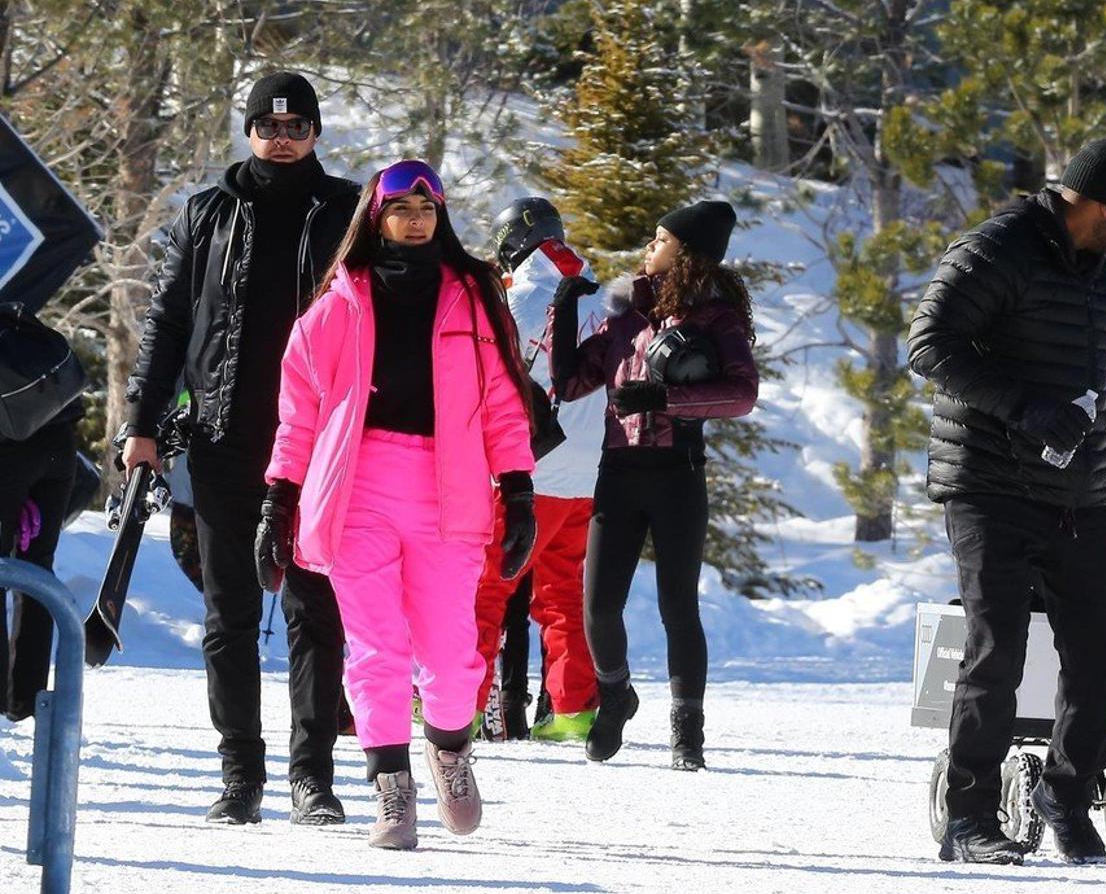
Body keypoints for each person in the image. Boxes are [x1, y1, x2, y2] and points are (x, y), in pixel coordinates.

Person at [258, 159, 536, 850]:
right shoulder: (337, 304)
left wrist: (519, 489)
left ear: (441, 217)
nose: (415, 221)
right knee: (375, 649)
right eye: (400, 210)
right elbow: (297, 415)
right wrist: (278, 500)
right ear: (375, 219)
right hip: (357, 490)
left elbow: (504, 405)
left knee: (451, 650)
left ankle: (449, 749)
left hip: (450, 490)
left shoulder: (473, 298)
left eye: (426, 209)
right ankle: (391, 789)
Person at [907, 138, 1106, 867]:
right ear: (1101, 204)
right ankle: (969, 818)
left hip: (1075, 491)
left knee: (1101, 651)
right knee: (998, 651)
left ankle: (1064, 797)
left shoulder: (1100, 279)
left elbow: (1100, 389)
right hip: (987, 483)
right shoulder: (997, 248)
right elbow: (929, 343)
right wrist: (1025, 408)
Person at [121, 71, 355, 826]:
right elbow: (166, 323)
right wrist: (142, 423)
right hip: (223, 438)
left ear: (315, 133)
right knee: (229, 615)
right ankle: (240, 776)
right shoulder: (207, 211)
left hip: (318, 446)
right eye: (268, 126)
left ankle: (311, 778)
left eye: (296, 126)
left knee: (314, 611)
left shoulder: (349, 211)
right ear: (249, 131)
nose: (281, 139)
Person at [548, 199, 759, 770]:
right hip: (618, 473)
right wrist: (564, 313)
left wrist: (664, 398)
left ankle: (688, 731)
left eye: (660, 240)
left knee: (677, 607)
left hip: (678, 474)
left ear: (686, 254)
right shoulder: (625, 314)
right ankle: (616, 694)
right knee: (597, 606)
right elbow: (570, 384)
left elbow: (742, 394)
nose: (649, 248)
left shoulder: (716, 318)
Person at [472, 197, 605, 742]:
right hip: (590, 469)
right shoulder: (603, 296)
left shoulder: (520, 299)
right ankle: (573, 709)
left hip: (531, 468)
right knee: (563, 590)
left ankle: (458, 702)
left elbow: (488, 377)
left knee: (486, 586)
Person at [0, 311, 85, 722]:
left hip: (9, 454)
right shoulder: (18, 321)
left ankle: (1, 704)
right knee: (36, 572)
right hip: (59, 449)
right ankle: (28, 700)